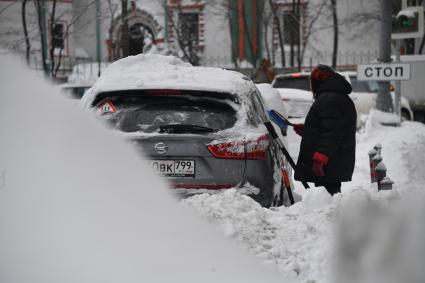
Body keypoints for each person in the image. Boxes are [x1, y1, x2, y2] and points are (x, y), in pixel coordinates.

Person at [293, 64, 357, 195]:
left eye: (312, 82)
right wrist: (308, 129)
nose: (311, 87)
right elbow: (329, 126)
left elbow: (332, 133)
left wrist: (320, 159)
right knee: (330, 197)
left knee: (329, 198)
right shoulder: (335, 96)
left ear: (318, 81)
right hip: (334, 160)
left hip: (329, 163)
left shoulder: (329, 99)